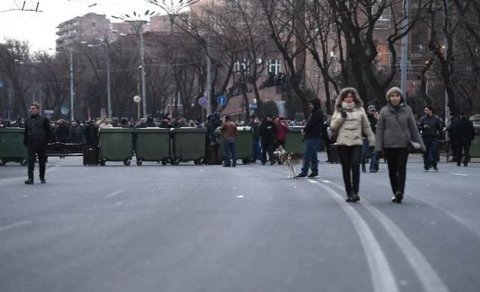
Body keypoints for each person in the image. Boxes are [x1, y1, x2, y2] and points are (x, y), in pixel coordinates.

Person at [375, 87, 424, 203]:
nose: (395, 98)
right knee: (392, 169)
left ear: (400, 97)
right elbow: (380, 130)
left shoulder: (407, 110)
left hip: (403, 144)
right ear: (389, 98)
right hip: (389, 145)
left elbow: (413, 128)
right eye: (392, 96)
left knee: (401, 168)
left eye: (397, 95)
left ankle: (400, 191)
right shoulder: (384, 111)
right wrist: (378, 147)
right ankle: (395, 191)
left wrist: (421, 144)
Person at [330, 87, 374, 202]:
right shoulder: (338, 110)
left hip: (356, 142)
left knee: (355, 165)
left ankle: (355, 192)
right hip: (342, 143)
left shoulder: (360, 109)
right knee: (346, 168)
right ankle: (349, 192)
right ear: (343, 98)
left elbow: (366, 126)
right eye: (346, 96)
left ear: (354, 97)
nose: (349, 98)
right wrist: (341, 117)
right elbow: (333, 127)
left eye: (351, 96)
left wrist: (371, 140)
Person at [295, 98, 325, 178]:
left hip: (313, 136)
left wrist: (304, 130)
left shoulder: (317, 113)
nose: (310, 105)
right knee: (313, 155)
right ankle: (314, 172)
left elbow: (311, 124)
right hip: (314, 136)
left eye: (311, 104)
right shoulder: (317, 112)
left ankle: (304, 172)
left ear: (315, 104)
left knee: (307, 155)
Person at [24, 103, 52, 184]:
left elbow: (48, 132)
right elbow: (26, 132)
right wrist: (26, 141)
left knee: (42, 161)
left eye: (33, 108)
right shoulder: (27, 120)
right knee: (30, 161)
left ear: (38, 109)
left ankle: (42, 177)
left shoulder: (44, 119)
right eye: (31, 108)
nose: (31, 110)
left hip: (41, 143)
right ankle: (30, 178)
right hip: (31, 143)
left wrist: (46, 142)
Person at [419, 106, 442, 171]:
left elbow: (439, 128)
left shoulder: (436, 119)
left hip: (434, 137)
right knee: (425, 152)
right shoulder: (423, 119)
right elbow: (419, 127)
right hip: (425, 137)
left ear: (431, 111)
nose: (425, 111)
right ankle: (426, 166)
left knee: (434, 151)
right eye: (425, 110)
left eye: (426, 110)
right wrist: (423, 127)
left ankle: (434, 164)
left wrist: (441, 136)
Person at [361, 105, 378, 172]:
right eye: (371, 110)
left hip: (373, 139)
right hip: (365, 138)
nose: (372, 112)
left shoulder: (376, 120)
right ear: (368, 111)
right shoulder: (365, 119)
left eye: (373, 110)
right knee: (364, 153)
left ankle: (372, 167)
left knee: (373, 153)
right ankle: (363, 165)